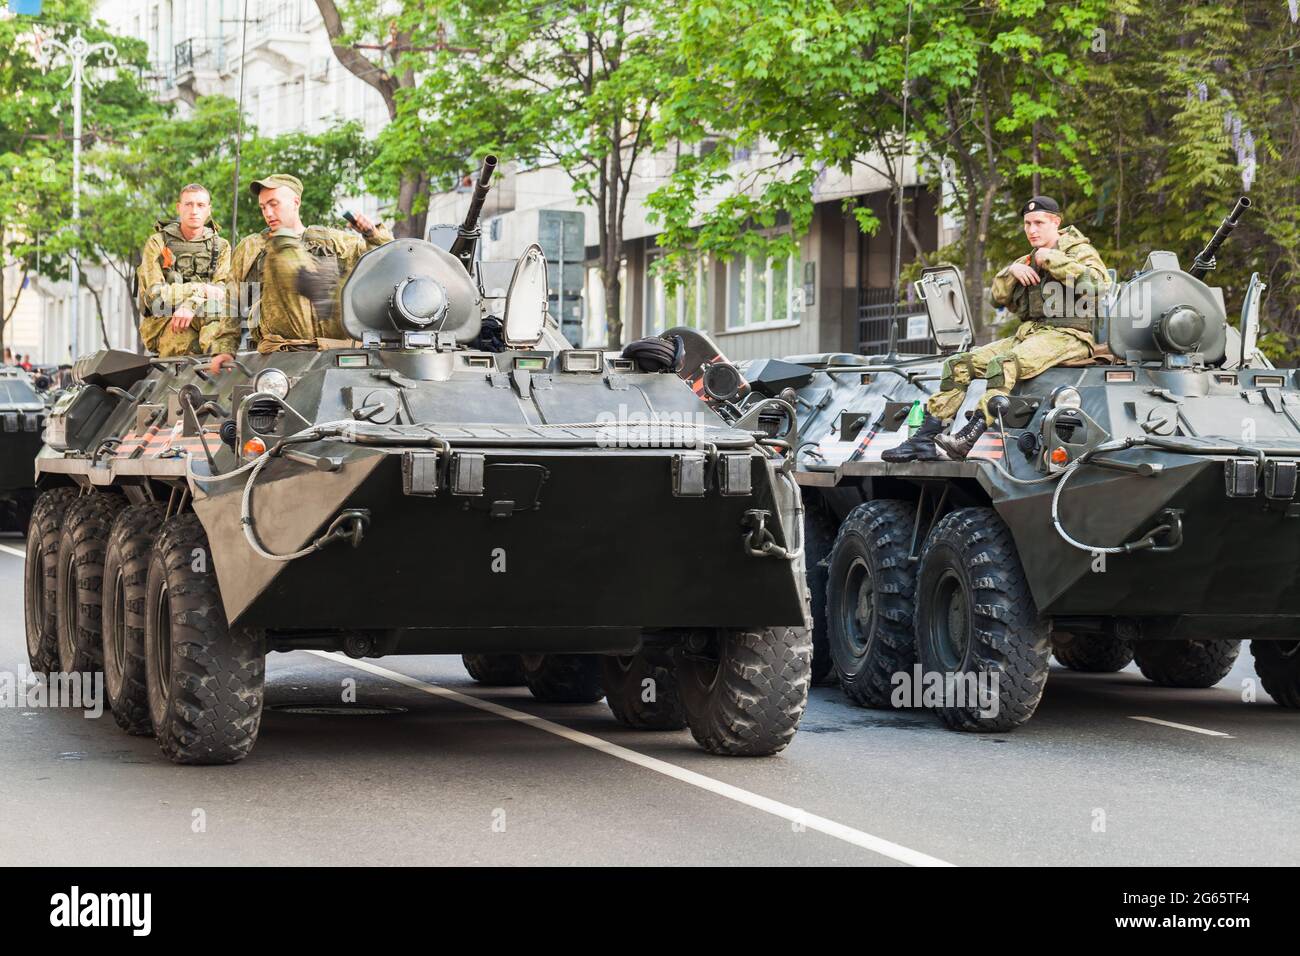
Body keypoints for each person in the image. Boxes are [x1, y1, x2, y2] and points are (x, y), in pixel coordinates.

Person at [886, 195, 1111, 462]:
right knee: (959, 363)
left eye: (1038, 223)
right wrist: (1011, 271)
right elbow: (997, 298)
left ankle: (968, 438)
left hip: (1069, 335)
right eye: (1027, 224)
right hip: (1030, 333)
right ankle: (923, 439)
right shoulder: (1027, 260)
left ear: (1056, 223)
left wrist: (1050, 259)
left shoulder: (1078, 252)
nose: (1032, 230)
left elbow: (1098, 285)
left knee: (1003, 363)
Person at [209, 174, 391, 373]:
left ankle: (315, 285)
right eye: (263, 207)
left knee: (348, 283)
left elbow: (387, 259)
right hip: (283, 357)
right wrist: (224, 349)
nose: (268, 213)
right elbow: (234, 299)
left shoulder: (334, 242)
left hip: (335, 356)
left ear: (296, 202)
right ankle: (307, 278)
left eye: (274, 204)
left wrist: (372, 234)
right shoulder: (254, 246)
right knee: (281, 248)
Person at [135, 184, 231, 357]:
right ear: (179, 208)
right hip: (165, 321)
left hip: (207, 315)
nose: (194, 211)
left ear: (209, 210)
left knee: (221, 328)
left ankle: (220, 363)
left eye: (200, 205)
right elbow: (154, 296)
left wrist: (191, 304)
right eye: (188, 204)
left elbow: (222, 291)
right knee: (186, 345)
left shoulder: (221, 246)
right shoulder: (158, 243)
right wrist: (200, 289)